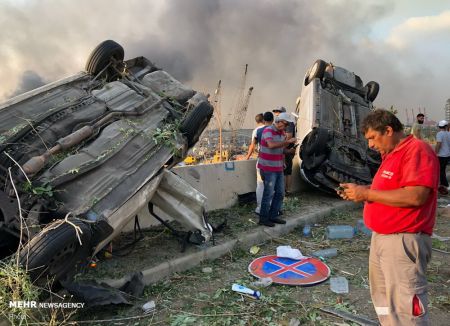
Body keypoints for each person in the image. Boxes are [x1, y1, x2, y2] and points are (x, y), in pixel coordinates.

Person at [338, 109, 438, 325]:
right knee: (384, 300)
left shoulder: (416, 150)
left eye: (373, 138)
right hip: (382, 239)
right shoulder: (392, 154)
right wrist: (361, 190)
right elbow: (388, 190)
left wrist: (366, 193)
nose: (371, 145)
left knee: (406, 306)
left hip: (403, 241)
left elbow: (416, 195)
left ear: (389, 130)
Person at [258, 112, 297, 227]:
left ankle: (273, 216)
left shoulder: (282, 133)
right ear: (279, 122)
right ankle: (263, 218)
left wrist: (289, 151)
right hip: (268, 168)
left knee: (280, 193)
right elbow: (271, 145)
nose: (285, 127)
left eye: (287, 125)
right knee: (268, 193)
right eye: (285, 124)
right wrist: (287, 142)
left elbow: (279, 149)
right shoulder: (268, 130)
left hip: (278, 167)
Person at [273, 106, 296, 194]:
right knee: (285, 171)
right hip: (283, 149)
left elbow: (289, 136)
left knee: (286, 171)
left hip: (287, 150)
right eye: (275, 112)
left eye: (278, 112)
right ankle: (285, 190)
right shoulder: (279, 124)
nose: (276, 114)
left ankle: (287, 190)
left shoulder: (289, 123)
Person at [435, 120, 450, 195]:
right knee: (443, 170)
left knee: (440, 170)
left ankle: (444, 185)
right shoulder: (449, 133)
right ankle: (444, 184)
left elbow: (439, 144)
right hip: (447, 155)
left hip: (441, 155)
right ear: (445, 126)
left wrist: (435, 153)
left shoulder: (439, 134)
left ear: (439, 127)